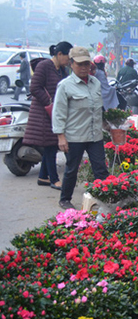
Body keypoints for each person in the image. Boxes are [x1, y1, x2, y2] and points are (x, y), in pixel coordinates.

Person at [52, 47, 110, 210]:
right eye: (80, 64)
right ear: (71, 64)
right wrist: (61, 137)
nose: (84, 67)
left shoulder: (95, 83)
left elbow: (99, 109)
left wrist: (107, 125)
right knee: (71, 169)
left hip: (95, 135)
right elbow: (59, 113)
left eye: (86, 63)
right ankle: (65, 199)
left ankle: (106, 198)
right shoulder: (65, 86)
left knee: (101, 169)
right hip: (75, 136)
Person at [23, 41, 73, 191]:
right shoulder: (44, 66)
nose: (69, 61)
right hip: (44, 113)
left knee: (50, 145)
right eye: (67, 57)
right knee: (51, 145)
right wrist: (50, 102)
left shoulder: (63, 70)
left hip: (55, 112)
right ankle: (54, 179)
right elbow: (34, 87)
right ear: (59, 54)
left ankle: (43, 177)